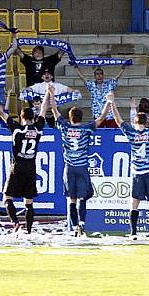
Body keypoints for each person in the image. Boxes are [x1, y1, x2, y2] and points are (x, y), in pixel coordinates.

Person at [109, 93, 149, 240]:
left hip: (137, 172)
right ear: (146, 122)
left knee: (134, 202)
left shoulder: (131, 133)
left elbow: (119, 121)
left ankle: (133, 233)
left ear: (135, 121)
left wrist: (112, 103)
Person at [0, 84, 50, 234]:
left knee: (7, 197)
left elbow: (1, 112)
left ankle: (15, 223)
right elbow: (43, 109)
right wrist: (48, 93)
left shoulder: (17, 129)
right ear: (32, 117)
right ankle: (29, 231)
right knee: (29, 202)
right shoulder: (38, 128)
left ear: (21, 118)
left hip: (16, 168)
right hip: (31, 168)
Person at [51, 87, 110, 237]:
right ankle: (82, 223)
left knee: (72, 198)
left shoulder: (64, 127)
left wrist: (51, 93)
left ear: (70, 118)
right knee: (83, 197)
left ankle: (74, 225)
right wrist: (109, 102)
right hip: (82, 167)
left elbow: (55, 112)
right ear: (81, 118)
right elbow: (102, 117)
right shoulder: (86, 129)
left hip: (69, 167)